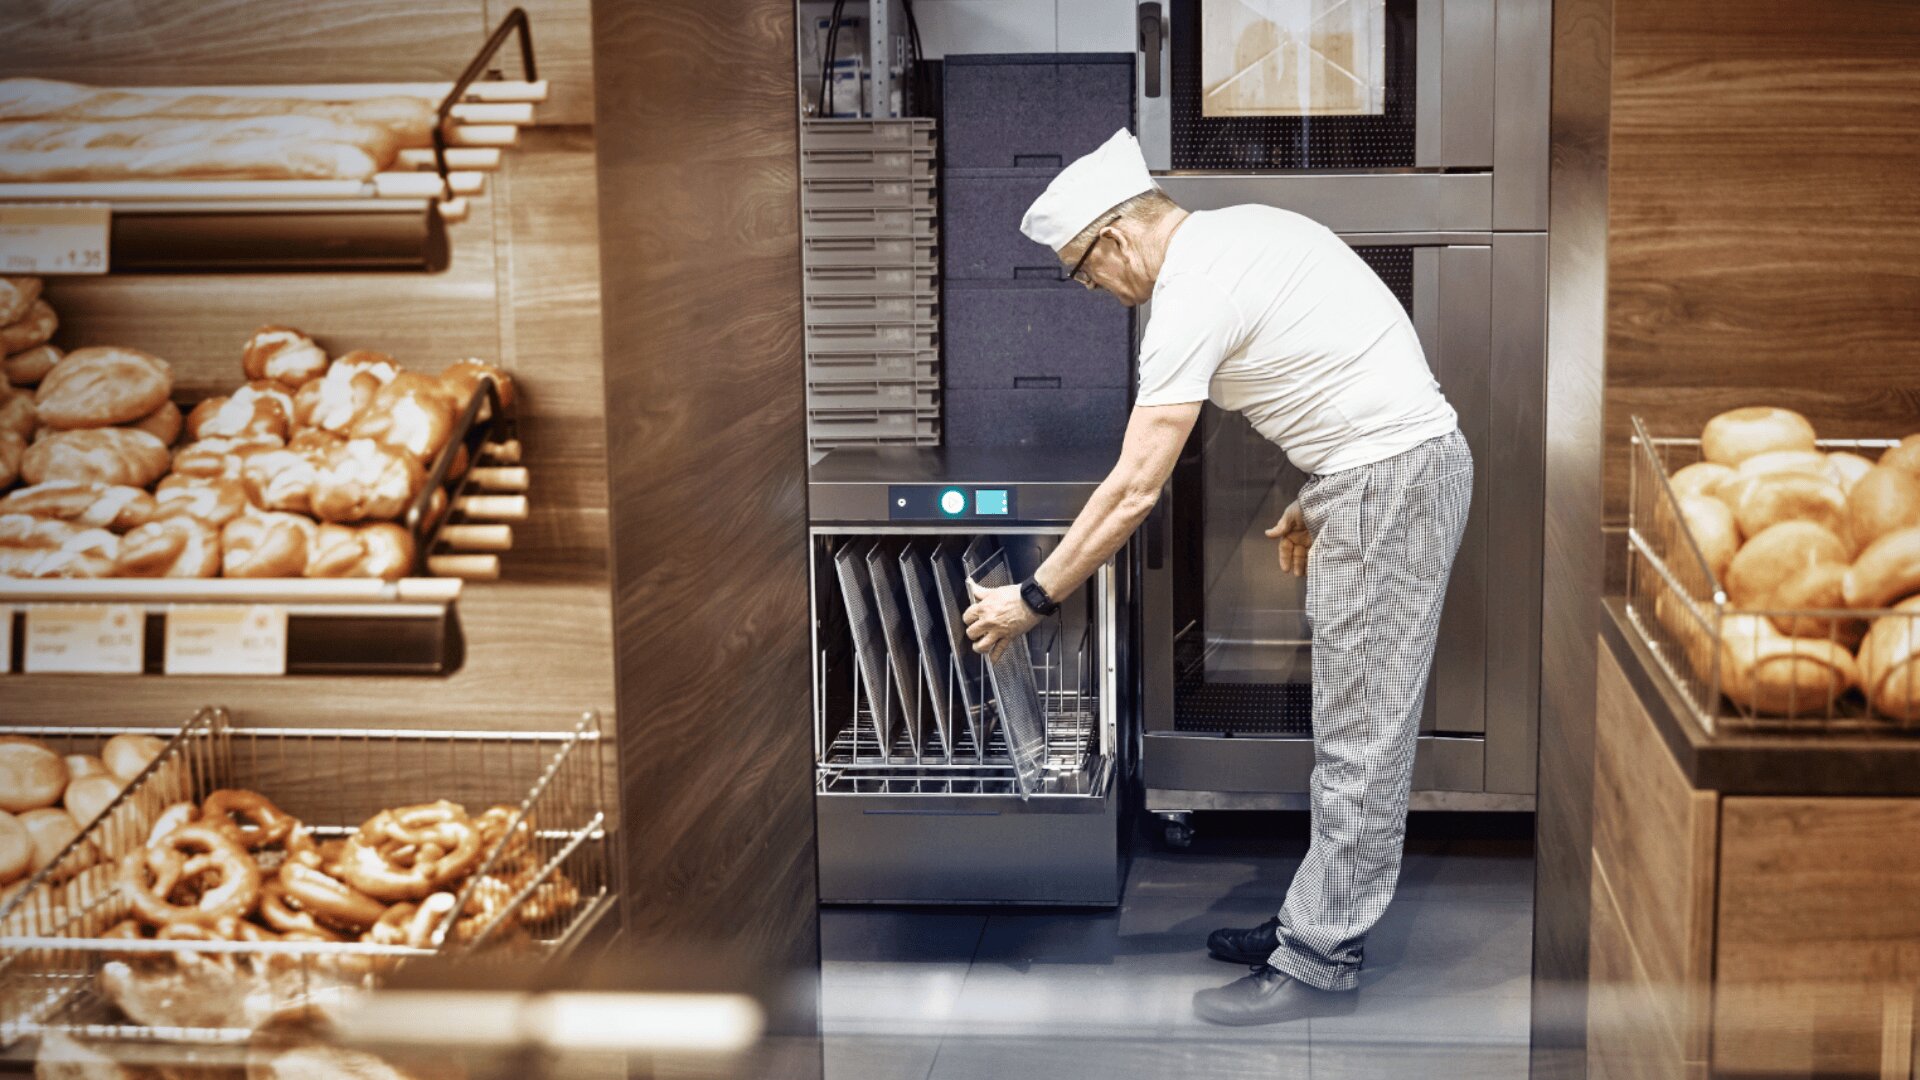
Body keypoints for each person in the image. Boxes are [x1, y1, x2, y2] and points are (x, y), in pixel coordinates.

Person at [960, 128, 1472, 1026]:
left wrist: (1033, 598)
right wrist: (1323, 500)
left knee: (1361, 739)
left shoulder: (1190, 292)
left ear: (1116, 238)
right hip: (1382, 477)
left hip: (1390, 485)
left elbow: (1131, 491)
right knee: (1349, 727)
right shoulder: (1242, 234)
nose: (1097, 293)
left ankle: (1316, 963)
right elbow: (1347, 362)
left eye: (1085, 273)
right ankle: (1310, 924)